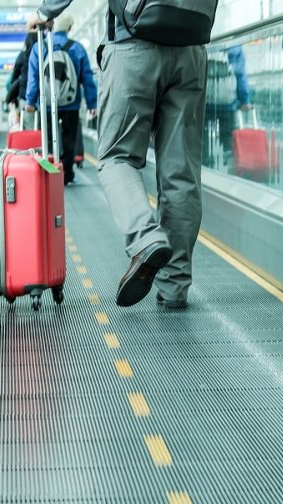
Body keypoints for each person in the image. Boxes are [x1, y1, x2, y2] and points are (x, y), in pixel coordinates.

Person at [28, 2, 212, 309]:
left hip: (132, 46)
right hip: (191, 47)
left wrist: (47, 12)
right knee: (181, 172)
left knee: (117, 158)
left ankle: (146, 237)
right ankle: (175, 287)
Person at [24, 15, 97, 185]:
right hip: (71, 102)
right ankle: (67, 174)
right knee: (69, 138)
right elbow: (87, 78)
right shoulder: (77, 48)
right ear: (69, 28)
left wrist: (30, 101)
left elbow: (34, 77)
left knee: (47, 139)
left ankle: (49, 174)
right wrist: (92, 103)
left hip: (47, 103)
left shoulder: (39, 47)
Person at [204, 45, 252, 166]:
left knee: (204, 142)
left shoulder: (205, 41)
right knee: (228, 143)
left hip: (205, 104)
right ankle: (229, 172)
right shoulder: (236, 48)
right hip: (227, 105)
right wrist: (244, 100)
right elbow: (240, 76)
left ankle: (205, 170)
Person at [6, 33, 38, 130]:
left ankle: (32, 144)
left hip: (25, 96)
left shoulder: (22, 55)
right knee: (44, 127)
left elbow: (14, 77)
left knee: (29, 126)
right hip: (43, 96)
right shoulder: (44, 52)